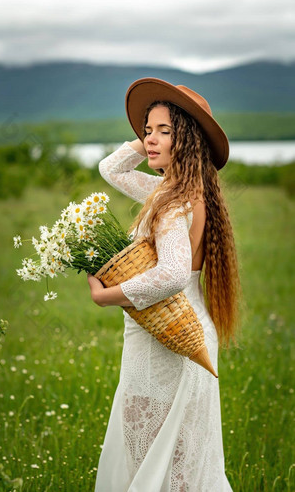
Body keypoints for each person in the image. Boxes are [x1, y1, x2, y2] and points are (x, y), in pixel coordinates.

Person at [86, 77, 241, 491]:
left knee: (159, 467)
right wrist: (151, 136)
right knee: (182, 468)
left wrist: (108, 296)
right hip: (180, 335)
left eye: (164, 131)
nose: (150, 139)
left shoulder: (172, 202)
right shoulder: (178, 191)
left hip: (166, 341)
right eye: (147, 130)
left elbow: (172, 275)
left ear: (187, 139)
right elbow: (110, 169)